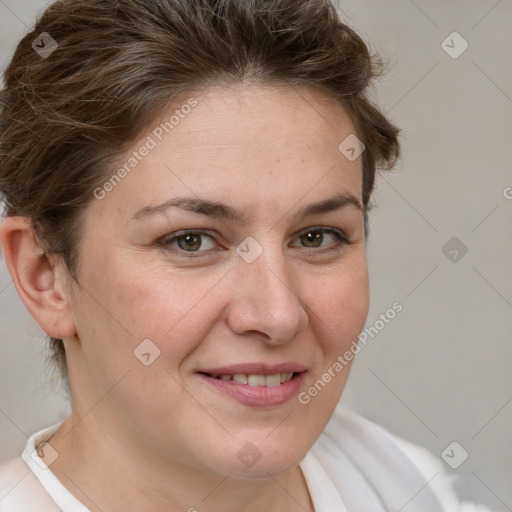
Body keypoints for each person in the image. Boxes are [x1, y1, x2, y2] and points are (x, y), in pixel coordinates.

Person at [0, 1, 492, 510]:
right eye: (191, 240)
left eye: (317, 236)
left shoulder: (409, 486)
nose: (278, 316)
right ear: (45, 275)